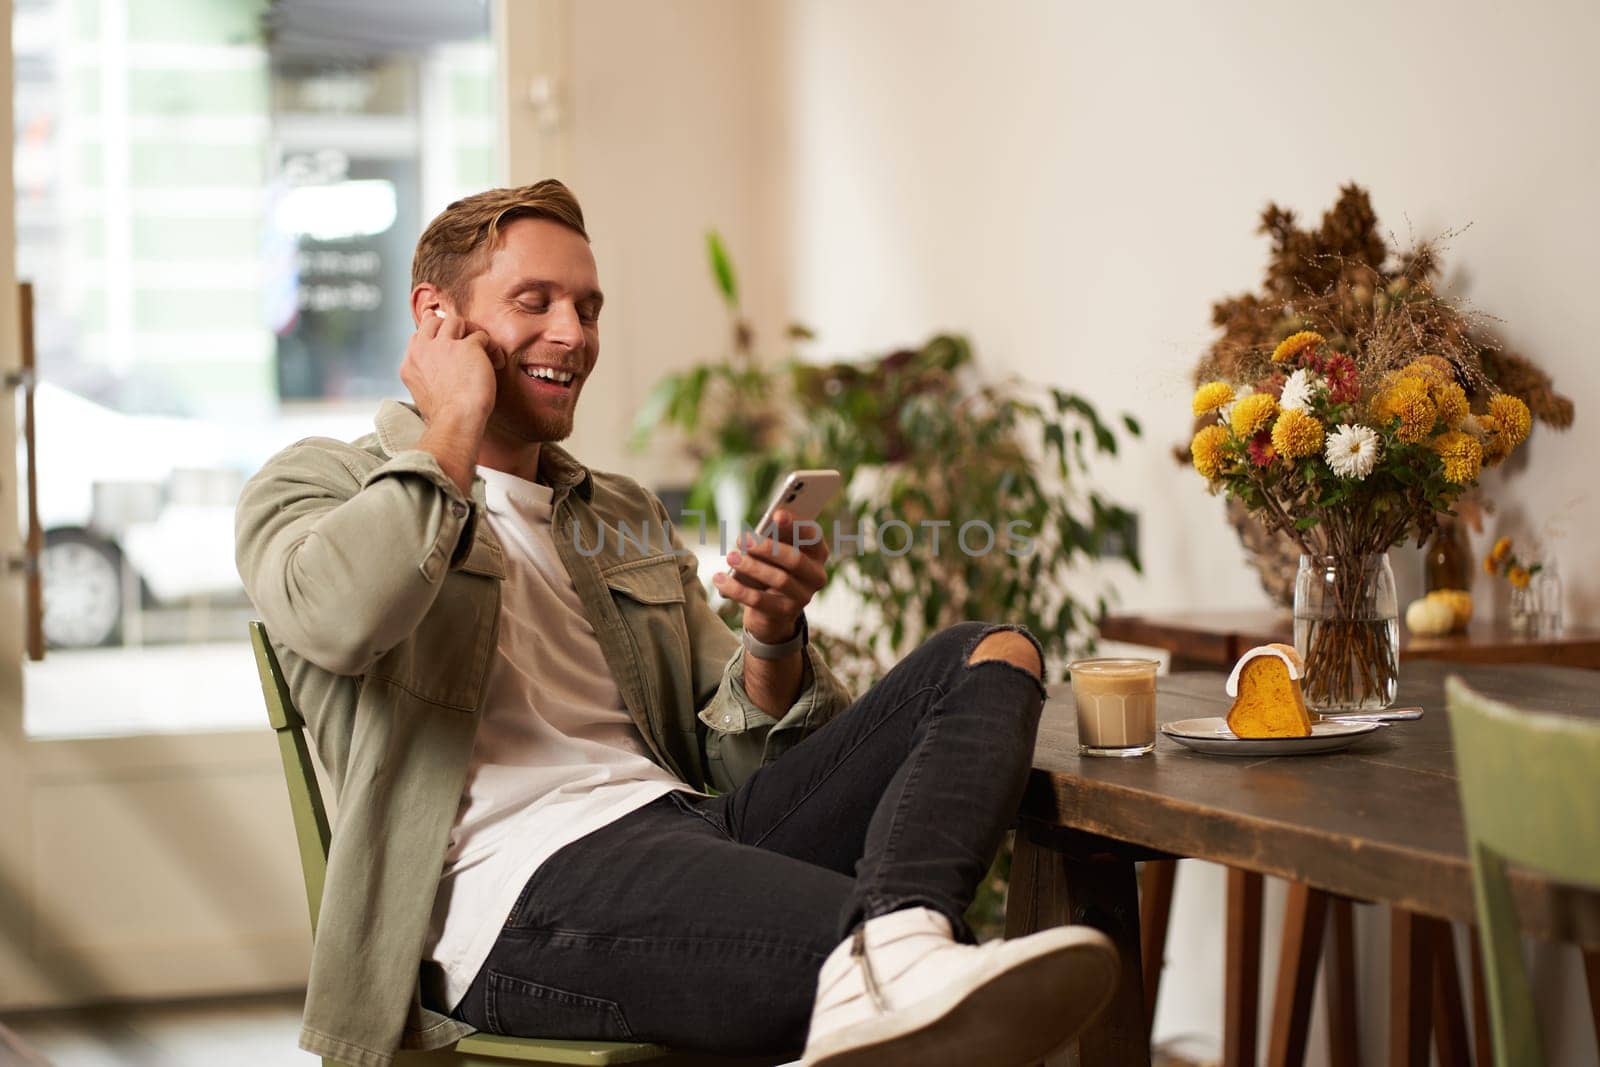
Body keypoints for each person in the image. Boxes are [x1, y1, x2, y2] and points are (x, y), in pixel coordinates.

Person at [236, 180, 1117, 1067]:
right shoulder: (319, 485)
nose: (572, 335)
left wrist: (773, 635)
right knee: (909, 975)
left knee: (989, 653)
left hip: (687, 825)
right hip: (510, 895)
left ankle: (894, 944)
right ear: (438, 319)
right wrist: (452, 418)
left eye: (587, 308)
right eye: (533, 302)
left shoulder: (619, 512)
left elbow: (736, 757)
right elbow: (343, 618)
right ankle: (891, 955)